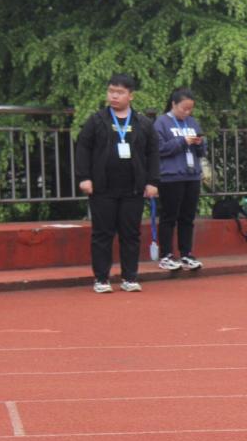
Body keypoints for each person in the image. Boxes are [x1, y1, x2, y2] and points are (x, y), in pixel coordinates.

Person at [75, 73, 159, 293]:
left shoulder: (142, 122)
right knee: (102, 233)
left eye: (120, 92)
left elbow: (153, 153)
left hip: (133, 188)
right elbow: (83, 148)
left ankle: (129, 277)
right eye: (111, 91)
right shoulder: (97, 120)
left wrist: (152, 181)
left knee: (130, 234)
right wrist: (84, 177)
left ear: (131, 96)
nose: (114, 96)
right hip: (103, 187)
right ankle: (101, 278)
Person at [154, 88, 205, 271]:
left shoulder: (192, 122)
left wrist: (200, 143)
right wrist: (183, 141)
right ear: (174, 104)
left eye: (190, 109)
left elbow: (202, 151)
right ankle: (166, 255)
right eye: (184, 108)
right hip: (171, 177)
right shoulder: (161, 122)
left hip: (192, 175)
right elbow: (159, 149)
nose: (187, 112)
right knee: (169, 216)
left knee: (187, 217)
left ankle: (186, 253)